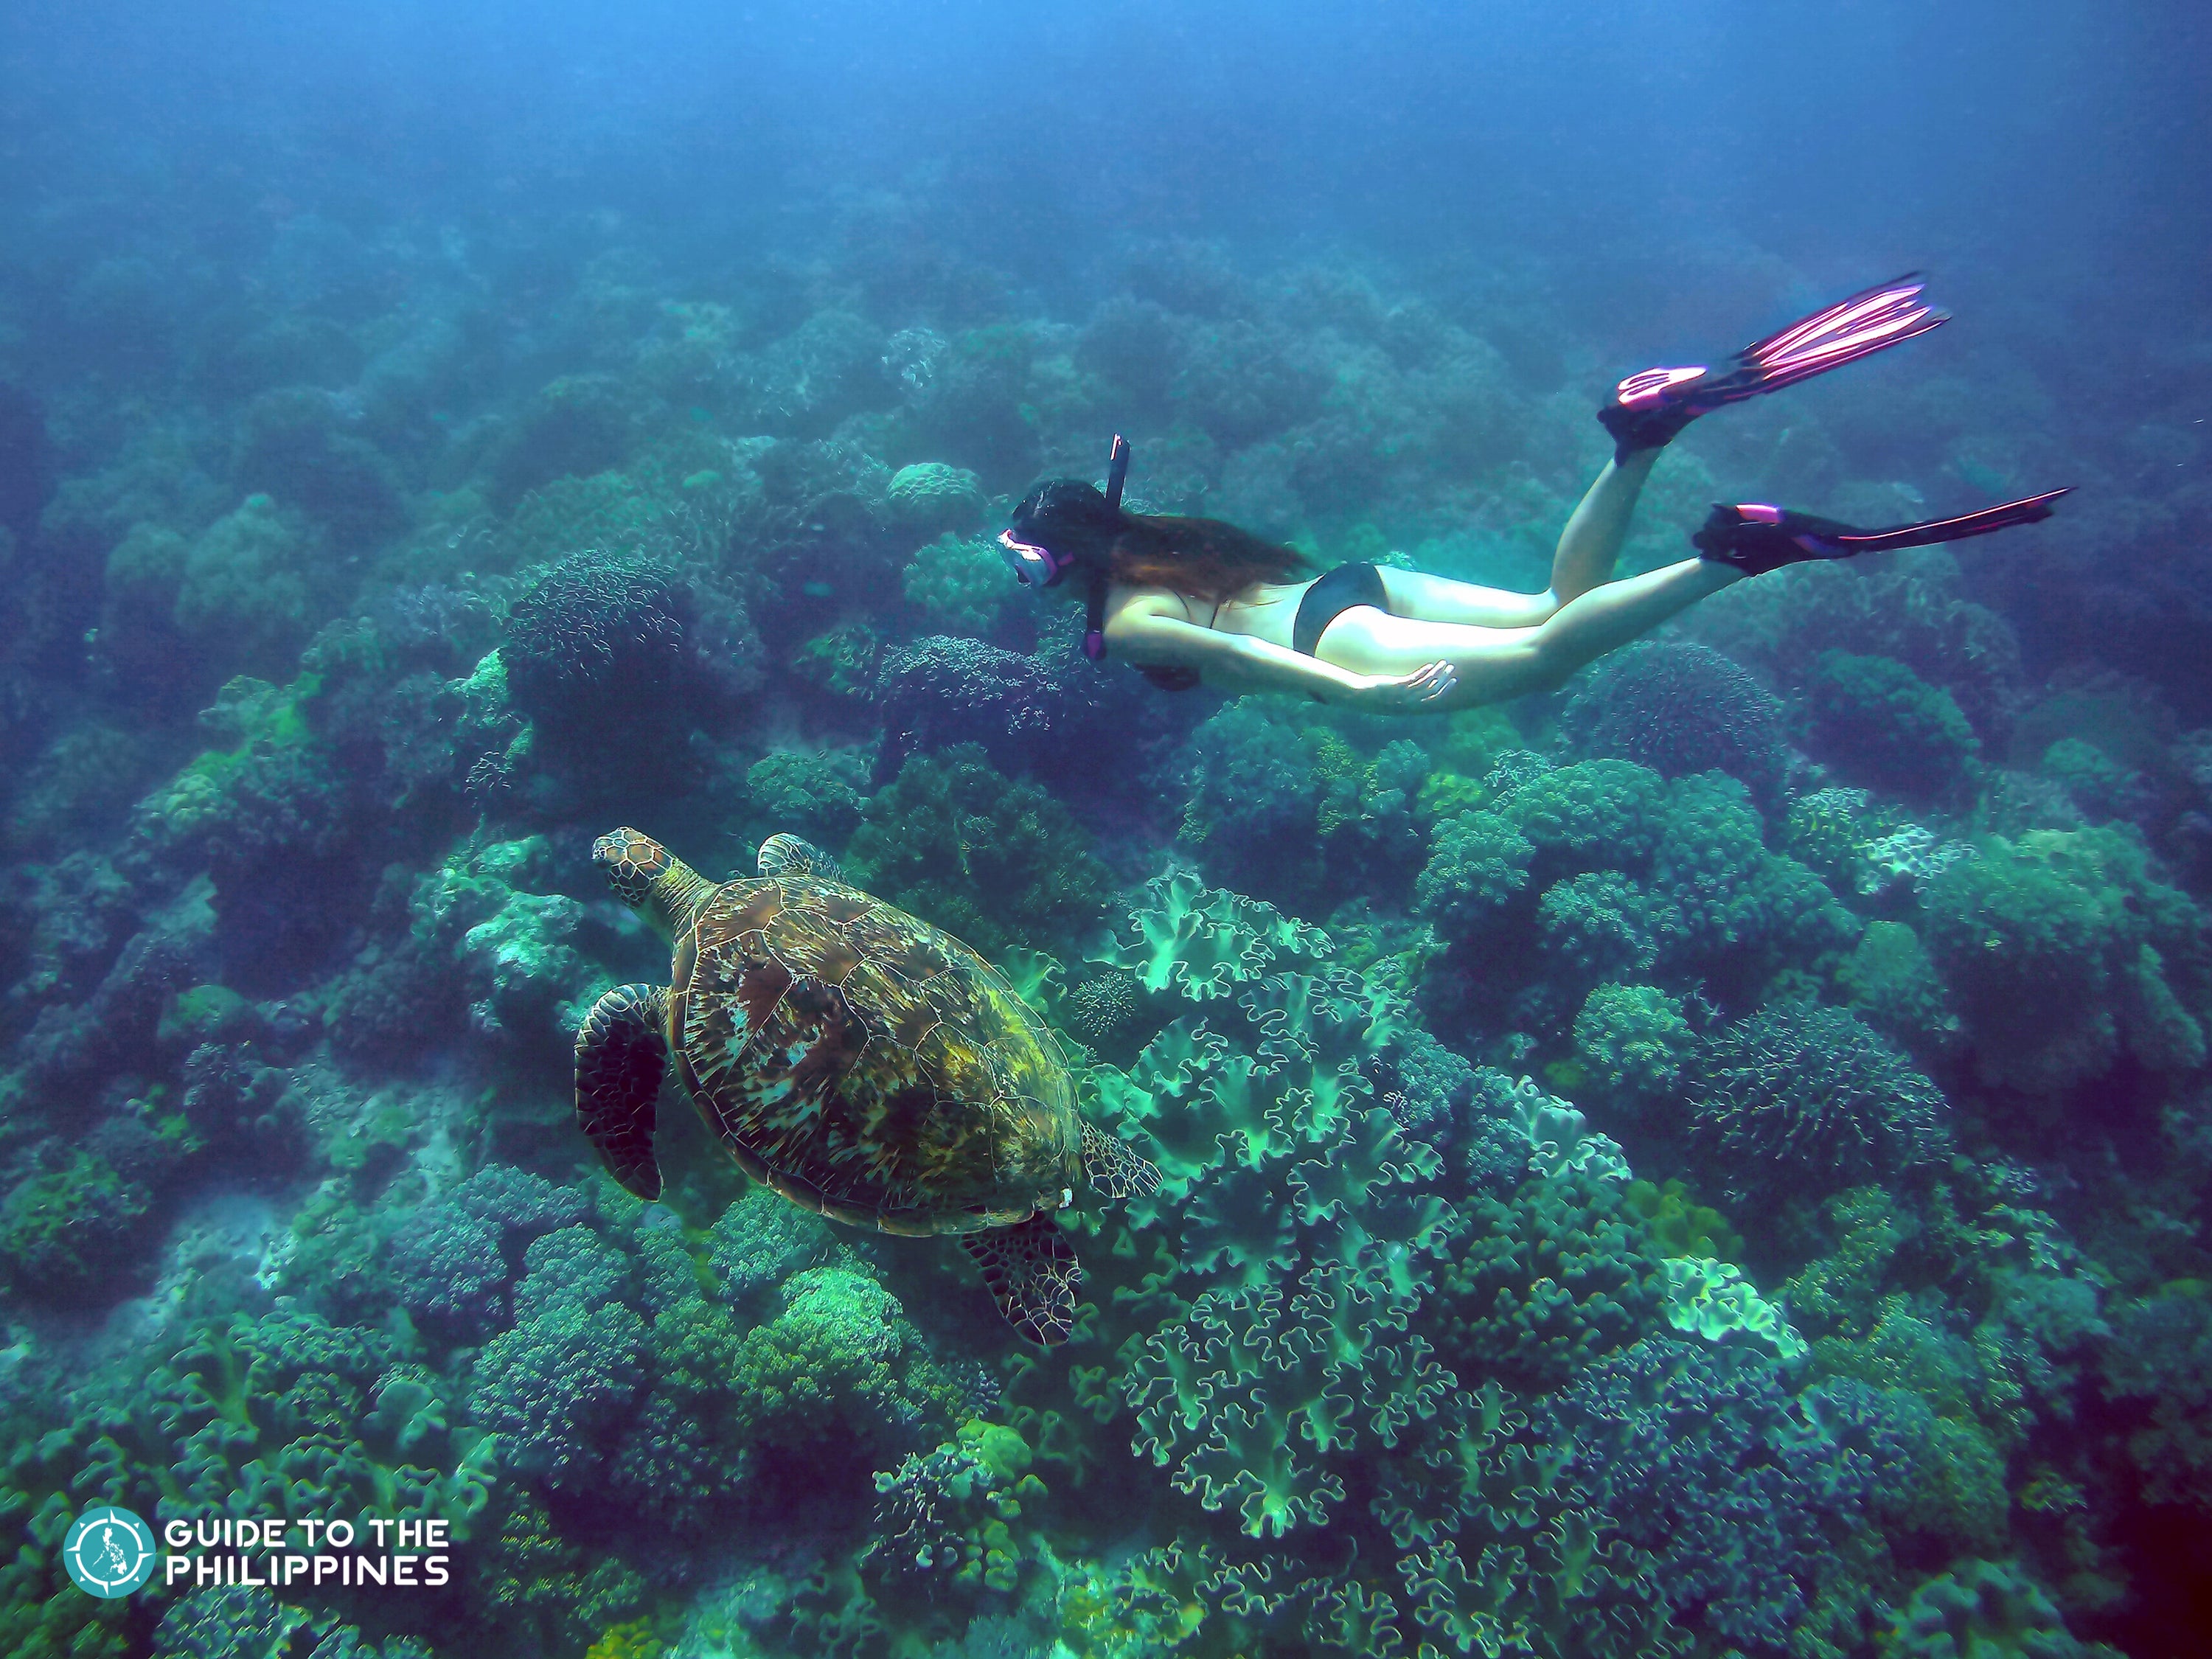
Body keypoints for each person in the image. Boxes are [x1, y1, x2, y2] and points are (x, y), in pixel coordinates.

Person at [996, 277, 2067, 712]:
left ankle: (1734, 554)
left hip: (1340, 647)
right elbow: (1227, 620)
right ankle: (1639, 441)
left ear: (1062, 558)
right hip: (1356, 583)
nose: (1029, 579)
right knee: (1560, 607)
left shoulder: (1131, 622)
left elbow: (1234, 658)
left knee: (1554, 661)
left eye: (1027, 560)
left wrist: (1360, 696)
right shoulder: (1165, 541)